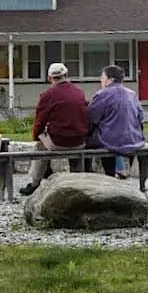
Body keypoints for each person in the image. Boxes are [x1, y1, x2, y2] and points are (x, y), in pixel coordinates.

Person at [19, 62, 88, 196]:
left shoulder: (48, 95)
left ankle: (34, 183)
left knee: (40, 146)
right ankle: (78, 179)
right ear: (66, 75)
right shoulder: (79, 92)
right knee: (76, 147)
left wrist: (36, 136)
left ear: (50, 78)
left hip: (59, 142)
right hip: (80, 141)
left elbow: (40, 121)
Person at [86, 65, 146, 178]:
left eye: (102, 77)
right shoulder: (132, 94)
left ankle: (98, 176)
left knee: (87, 142)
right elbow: (140, 117)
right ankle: (124, 170)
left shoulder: (102, 95)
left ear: (111, 80)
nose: (101, 80)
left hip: (110, 140)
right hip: (134, 139)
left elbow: (91, 117)